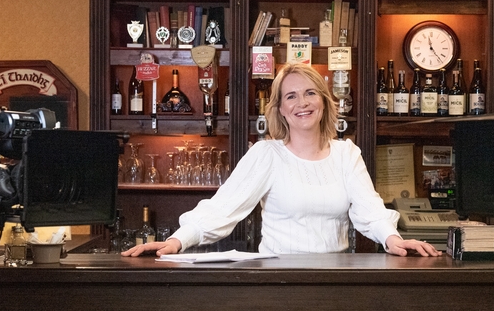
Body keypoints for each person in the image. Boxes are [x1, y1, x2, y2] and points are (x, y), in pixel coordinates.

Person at [122, 64, 441, 258]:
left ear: (324, 101)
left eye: (310, 93)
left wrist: (394, 239)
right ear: (280, 110)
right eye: (291, 96)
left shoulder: (347, 154)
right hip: (278, 278)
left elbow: (370, 213)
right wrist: (176, 241)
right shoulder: (266, 154)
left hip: (336, 277)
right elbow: (222, 210)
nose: (302, 103)